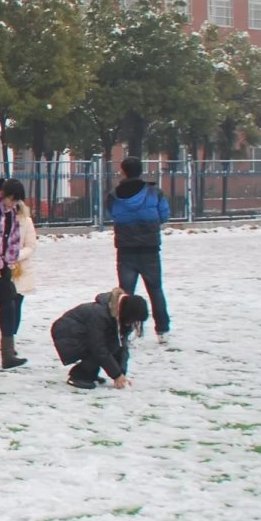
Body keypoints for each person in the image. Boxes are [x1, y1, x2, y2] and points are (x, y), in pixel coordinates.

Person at [110, 157, 172, 340]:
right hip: (150, 248)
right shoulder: (154, 192)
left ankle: (125, 330)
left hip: (125, 249)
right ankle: (162, 329)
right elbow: (164, 214)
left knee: (125, 293)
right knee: (155, 289)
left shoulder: (114, 195)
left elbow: (112, 214)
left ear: (123, 171)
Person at [52, 290, 149, 389]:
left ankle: (90, 373)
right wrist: (116, 375)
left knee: (111, 345)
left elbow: (122, 346)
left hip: (80, 332)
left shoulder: (118, 316)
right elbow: (98, 347)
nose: (134, 323)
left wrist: (121, 373)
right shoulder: (99, 314)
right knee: (99, 348)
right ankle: (79, 376)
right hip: (67, 333)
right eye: (134, 320)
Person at [0, 179, 38, 369]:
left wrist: (14, 257)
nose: (14, 204)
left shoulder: (20, 218)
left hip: (11, 267)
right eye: (12, 199)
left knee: (11, 304)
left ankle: (8, 352)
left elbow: (29, 245)